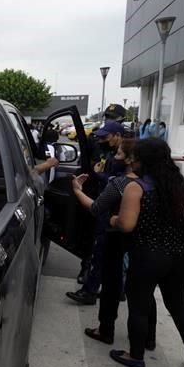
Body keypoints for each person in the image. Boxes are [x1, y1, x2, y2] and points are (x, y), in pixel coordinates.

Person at [108, 138, 184, 367]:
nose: (131, 160)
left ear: (144, 159)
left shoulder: (137, 187)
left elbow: (127, 225)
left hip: (147, 255)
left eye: (134, 157)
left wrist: (113, 219)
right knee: (180, 306)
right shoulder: (178, 184)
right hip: (179, 257)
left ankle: (136, 356)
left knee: (139, 306)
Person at [72, 139, 157, 348]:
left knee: (111, 286)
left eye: (118, 155)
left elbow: (97, 207)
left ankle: (105, 329)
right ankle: (148, 338)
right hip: (148, 245)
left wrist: (77, 190)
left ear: (131, 160)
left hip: (118, 240)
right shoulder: (155, 182)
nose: (114, 158)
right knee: (144, 293)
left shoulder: (121, 184)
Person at [67, 120, 125, 305]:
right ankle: (114, 289)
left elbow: (118, 181)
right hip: (107, 205)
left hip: (111, 208)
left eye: (106, 136)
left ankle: (90, 291)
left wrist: (95, 175)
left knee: (101, 252)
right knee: (108, 255)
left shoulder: (125, 155)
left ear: (117, 135)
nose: (102, 140)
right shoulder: (109, 151)